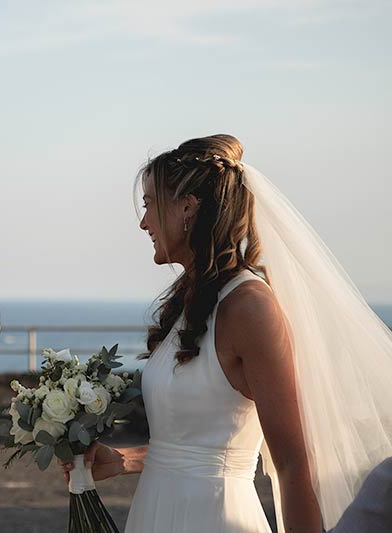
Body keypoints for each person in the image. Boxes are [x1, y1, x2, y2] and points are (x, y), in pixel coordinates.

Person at [65, 134, 392, 532]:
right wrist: (126, 460)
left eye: (150, 203)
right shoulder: (188, 301)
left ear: (186, 206)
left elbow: (292, 461)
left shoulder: (249, 307)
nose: (143, 221)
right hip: (153, 512)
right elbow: (193, 443)